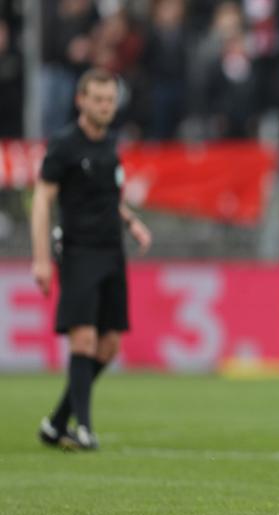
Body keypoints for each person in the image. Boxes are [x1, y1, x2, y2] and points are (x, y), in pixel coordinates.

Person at [31, 68, 152, 450]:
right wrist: (40, 259)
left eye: (109, 100)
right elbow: (41, 199)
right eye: (97, 99)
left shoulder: (109, 143)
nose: (104, 106)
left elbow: (108, 196)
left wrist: (131, 222)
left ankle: (55, 423)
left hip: (111, 250)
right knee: (82, 337)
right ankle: (83, 428)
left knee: (109, 345)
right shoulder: (64, 144)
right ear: (80, 100)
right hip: (79, 250)